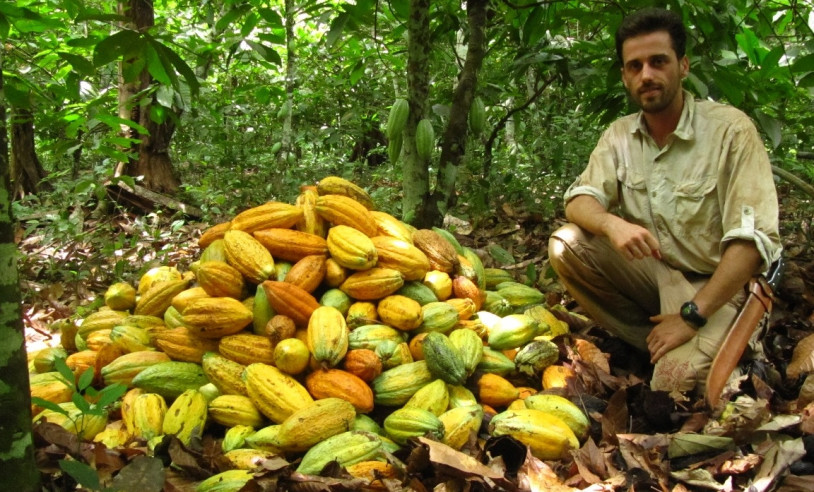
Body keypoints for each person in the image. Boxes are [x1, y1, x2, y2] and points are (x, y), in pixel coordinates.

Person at [547, 7, 782, 395]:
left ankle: (698, 344)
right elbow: (579, 201)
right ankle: (653, 340)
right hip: (658, 273)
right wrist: (612, 224)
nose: (647, 76)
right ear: (625, 76)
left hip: (721, 284)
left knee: (676, 387)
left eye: (658, 62)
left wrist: (691, 317)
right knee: (566, 244)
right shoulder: (620, 135)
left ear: (683, 66)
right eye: (635, 66)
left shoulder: (730, 131)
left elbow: (751, 245)